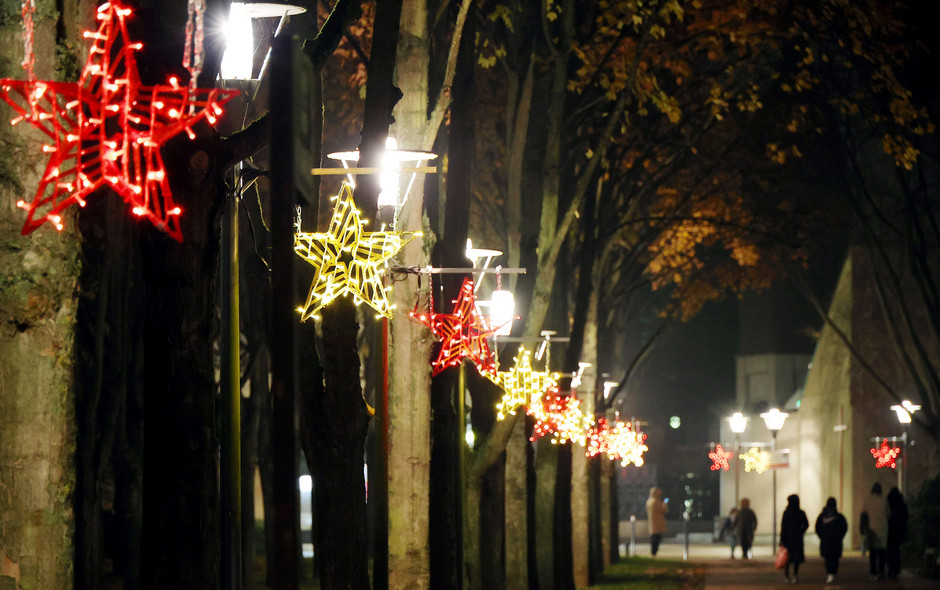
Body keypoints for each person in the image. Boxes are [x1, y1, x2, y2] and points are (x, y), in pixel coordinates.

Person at [815, 497, 848, 584]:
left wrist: (822, 536)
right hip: (836, 542)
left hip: (826, 541)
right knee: (835, 558)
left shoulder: (822, 516)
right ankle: (833, 572)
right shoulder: (839, 517)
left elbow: (817, 528)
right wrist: (840, 536)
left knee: (828, 558)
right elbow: (844, 528)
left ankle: (830, 573)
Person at [860, 482, 888, 580]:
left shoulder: (868, 500)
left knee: (873, 553)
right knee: (882, 553)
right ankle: (881, 571)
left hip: (871, 530)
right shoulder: (884, 501)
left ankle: (873, 572)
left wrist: (862, 529)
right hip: (883, 530)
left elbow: (863, 515)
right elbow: (888, 515)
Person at [780, 494, 809, 583]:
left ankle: (787, 575)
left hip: (789, 538)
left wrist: (782, 538)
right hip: (797, 538)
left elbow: (783, 526)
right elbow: (806, 524)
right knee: (795, 558)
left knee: (788, 558)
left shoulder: (787, 513)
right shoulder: (800, 513)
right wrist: (801, 531)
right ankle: (794, 575)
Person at [886, 487, 909, 579]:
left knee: (890, 550)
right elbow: (906, 517)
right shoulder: (902, 505)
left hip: (890, 530)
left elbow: (886, 516)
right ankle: (896, 569)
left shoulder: (888, 504)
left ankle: (890, 568)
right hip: (900, 531)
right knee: (896, 550)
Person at [646, 486, 668, 556]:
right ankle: (654, 552)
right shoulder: (656, 501)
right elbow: (663, 509)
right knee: (656, 538)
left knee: (654, 537)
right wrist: (665, 504)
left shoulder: (649, 501)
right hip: (657, 522)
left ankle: (653, 551)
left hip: (652, 522)